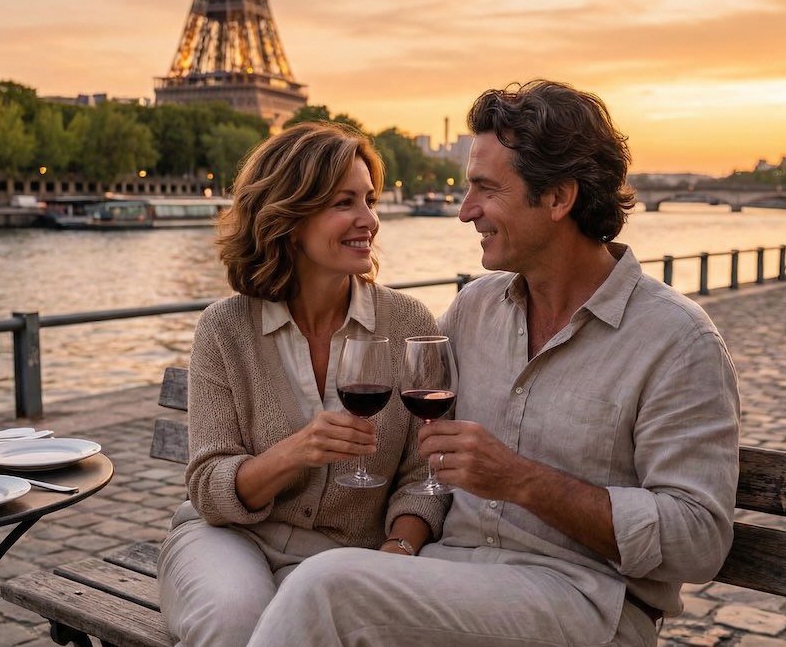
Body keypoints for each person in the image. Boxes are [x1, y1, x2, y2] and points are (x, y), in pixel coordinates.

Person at [246, 81, 741, 646]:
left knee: (325, 588)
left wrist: (523, 481)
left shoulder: (677, 341)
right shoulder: (472, 310)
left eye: (485, 189)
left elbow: (699, 541)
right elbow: (424, 472)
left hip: (585, 603)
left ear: (558, 198)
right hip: (448, 581)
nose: (465, 212)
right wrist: (398, 543)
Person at [157, 122, 450, 647]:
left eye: (370, 199)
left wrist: (399, 552)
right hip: (229, 540)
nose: (370, 220)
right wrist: (295, 452)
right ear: (290, 220)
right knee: (231, 622)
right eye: (345, 203)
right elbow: (207, 488)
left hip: (349, 555)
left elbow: (424, 476)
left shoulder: (408, 323)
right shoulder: (226, 328)